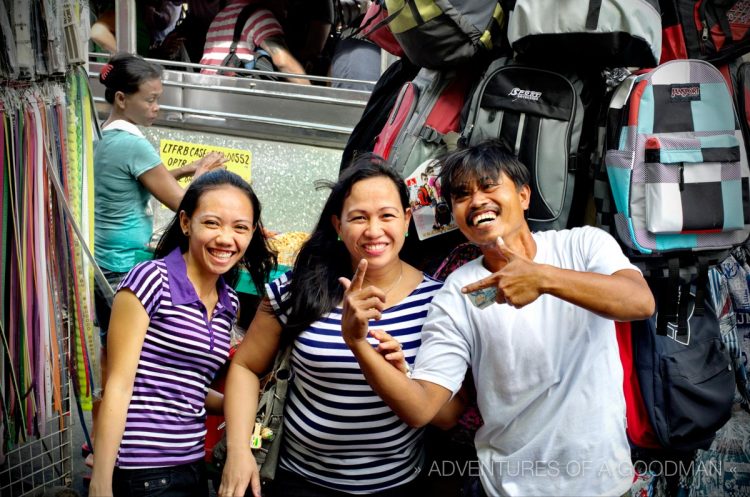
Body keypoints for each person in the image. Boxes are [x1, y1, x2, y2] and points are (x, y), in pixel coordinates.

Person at [340, 141, 657, 497]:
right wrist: (357, 344)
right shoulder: (460, 293)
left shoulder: (582, 246)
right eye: (462, 195)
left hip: (603, 485)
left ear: (523, 195)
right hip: (507, 488)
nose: (476, 201)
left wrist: (543, 279)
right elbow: (422, 408)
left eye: (489, 185)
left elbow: (639, 302)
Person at [218, 155, 462, 497]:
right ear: (337, 225)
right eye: (358, 217)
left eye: (387, 216)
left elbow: (447, 416)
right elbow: (245, 365)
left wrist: (403, 375)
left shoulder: (439, 302)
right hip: (298, 481)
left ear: (407, 219)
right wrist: (240, 451)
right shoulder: (299, 287)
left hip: (395, 485)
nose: (374, 230)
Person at [89, 169, 277, 497]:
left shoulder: (228, 301)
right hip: (140, 467)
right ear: (187, 223)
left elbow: (186, 387)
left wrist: (251, 400)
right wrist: (101, 481)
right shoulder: (150, 280)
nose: (226, 238)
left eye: (240, 228)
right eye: (212, 223)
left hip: (191, 465)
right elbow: (118, 385)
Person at [90, 52, 226, 466]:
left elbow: (154, 176)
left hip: (106, 262)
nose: (156, 107)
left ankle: (100, 447)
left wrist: (187, 168)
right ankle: (115, 448)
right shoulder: (132, 143)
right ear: (120, 98)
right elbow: (182, 202)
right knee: (133, 364)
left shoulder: (109, 137)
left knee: (113, 357)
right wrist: (206, 179)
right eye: (150, 99)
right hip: (123, 265)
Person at [199, 0, 310, 84]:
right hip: (231, 99)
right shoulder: (260, 15)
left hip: (207, 92)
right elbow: (283, 61)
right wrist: (311, 94)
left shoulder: (220, 16)